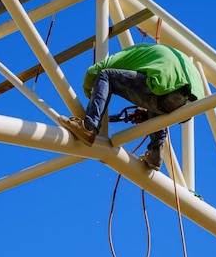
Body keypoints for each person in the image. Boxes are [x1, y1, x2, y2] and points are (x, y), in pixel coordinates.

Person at [59, 43, 204, 171]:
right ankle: (155, 154)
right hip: (189, 104)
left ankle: (89, 128)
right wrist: (148, 112)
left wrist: (90, 93)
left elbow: (94, 71)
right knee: (156, 87)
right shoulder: (156, 55)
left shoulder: (129, 54)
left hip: (166, 89)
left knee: (105, 75)